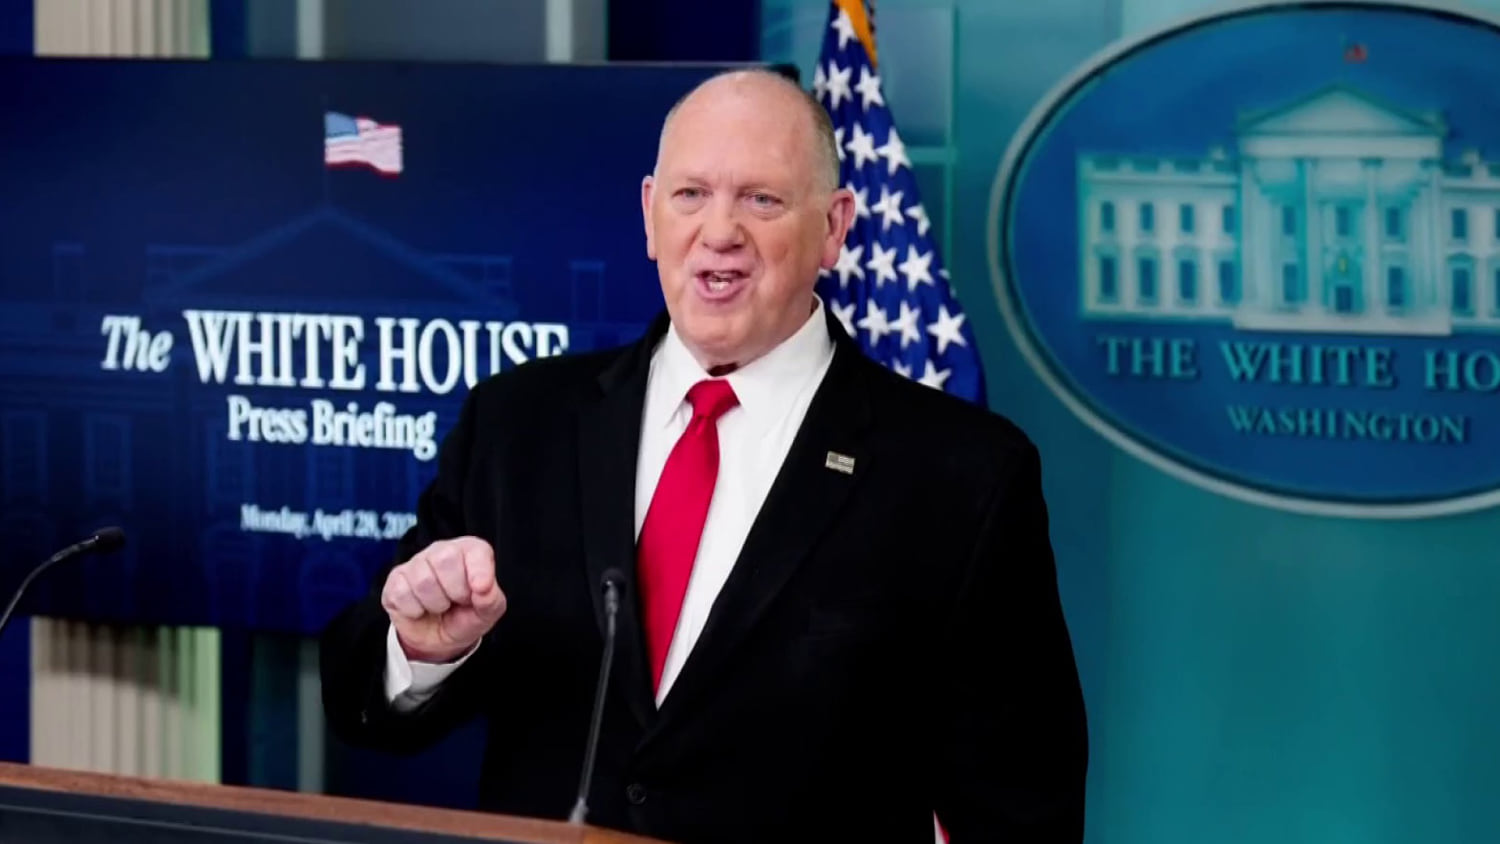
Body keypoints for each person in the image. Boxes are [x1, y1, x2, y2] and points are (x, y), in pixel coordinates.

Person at [319, 67, 1088, 843]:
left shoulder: (963, 476)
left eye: (762, 199)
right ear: (650, 215)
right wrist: (420, 650)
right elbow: (362, 703)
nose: (720, 231)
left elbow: (1023, 807)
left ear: (833, 228)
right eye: (691, 195)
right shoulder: (520, 424)